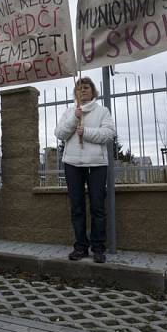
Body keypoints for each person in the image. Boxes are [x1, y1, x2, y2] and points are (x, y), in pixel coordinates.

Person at [54, 77, 116, 263]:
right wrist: (75, 119)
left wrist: (86, 133)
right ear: (76, 92)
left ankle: (98, 247)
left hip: (96, 164)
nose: (83, 91)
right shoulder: (69, 112)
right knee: (77, 207)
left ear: (93, 91)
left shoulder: (102, 111)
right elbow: (59, 134)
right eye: (79, 88)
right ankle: (81, 246)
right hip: (72, 164)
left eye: (86, 88)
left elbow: (109, 134)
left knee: (97, 206)